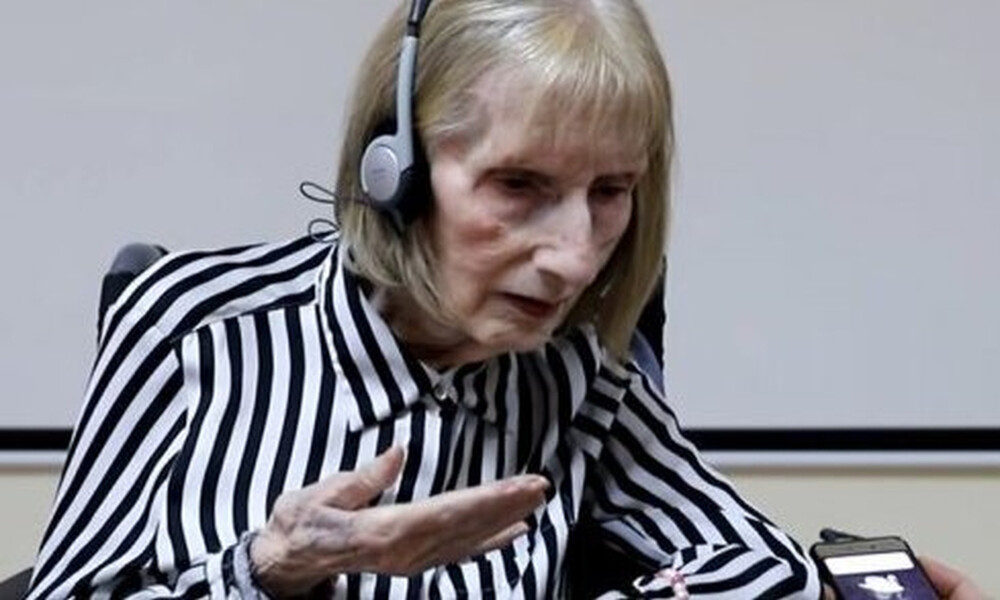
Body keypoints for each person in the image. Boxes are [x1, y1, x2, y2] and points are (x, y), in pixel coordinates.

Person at [23, 1, 985, 598]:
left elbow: (756, 564)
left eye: (610, 192)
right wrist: (272, 569)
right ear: (396, 172)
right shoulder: (193, 325)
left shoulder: (579, 374)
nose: (573, 258)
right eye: (520, 185)